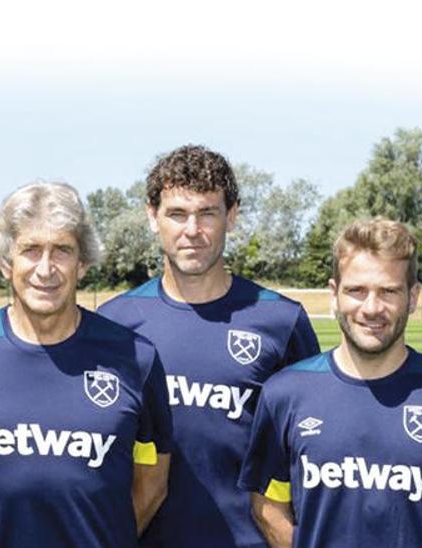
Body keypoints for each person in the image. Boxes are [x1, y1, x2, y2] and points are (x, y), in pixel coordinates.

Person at [0, 181, 174, 548]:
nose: (45, 268)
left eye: (62, 251)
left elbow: (153, 484)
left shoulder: (135, 357)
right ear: (7, 263)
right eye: (31, 250)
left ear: (82, 263)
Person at [98, 144, 319, 547]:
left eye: (208, 213)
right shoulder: (115, 323)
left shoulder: (282, 322)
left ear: (231, 216)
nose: (192, 230)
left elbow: (309, 452)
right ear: (152, 217)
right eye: (177, 214)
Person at [239, 218, 422, 548]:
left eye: (389, 291)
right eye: (357, 291)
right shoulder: (284, 393)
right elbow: (267, 508)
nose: (372, 308)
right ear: (334, 294)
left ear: (413, 296)